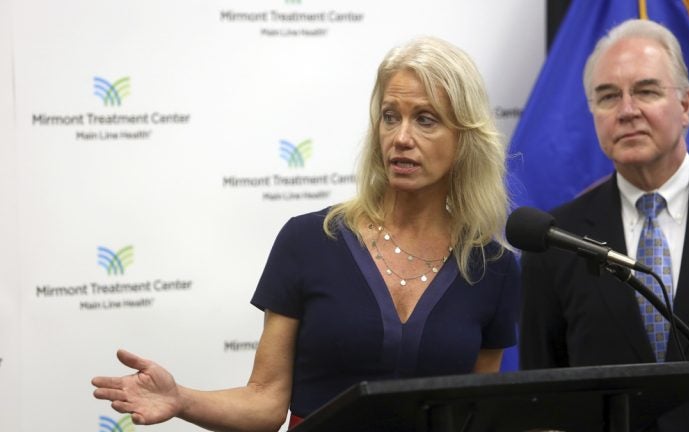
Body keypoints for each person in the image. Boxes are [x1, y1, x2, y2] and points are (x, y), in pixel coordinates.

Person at [92, 36, 519, 431]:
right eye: (391, 117)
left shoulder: (493, 268)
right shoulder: (311, 240)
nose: (401, 138)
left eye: (425, 120)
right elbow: (265, 401)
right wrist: (181, 398)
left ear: (464, 137)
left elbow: (476, 416)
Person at [518, 18, 689, 431]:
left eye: (646, 91)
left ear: (686, 106)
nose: (627, 110)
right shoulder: (555, 239)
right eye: (608, 96)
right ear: (593, 114)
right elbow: (543, 397)